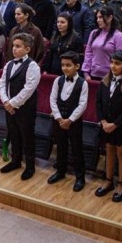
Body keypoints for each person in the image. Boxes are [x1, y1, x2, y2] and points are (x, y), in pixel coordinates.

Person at [95, 50, 122, 202]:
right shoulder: (104, 81)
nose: (113, 66)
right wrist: (103, 121)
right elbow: (98, 102)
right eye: (112, 62)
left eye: (117, 63)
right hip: (106, 124)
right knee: (109, 150)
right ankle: (108, 180)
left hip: (121, 125)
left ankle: (121, 183)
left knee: (120, 152)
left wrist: (115, 124)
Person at [0, 33, 41, 181]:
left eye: (18, 46)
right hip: (9, 106)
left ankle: (30, 166)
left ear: (27, 49)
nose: (14, 49)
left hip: (25, 108)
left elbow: (29, 89)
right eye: (13, 46)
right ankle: (15, 161)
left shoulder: (33, 66)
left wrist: (13, 103)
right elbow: (2, 83)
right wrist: (5, 101)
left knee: (27, 136)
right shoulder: (9, 64)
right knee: (13, 134)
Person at [47, 51, 88, 192]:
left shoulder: (83, 84)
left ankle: (80, 177)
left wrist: (70, 120)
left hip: (74, 122)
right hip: (58, 120)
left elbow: (82, 104)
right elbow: (52, 99)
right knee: (61, 146)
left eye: (68, 65)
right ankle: (60, 171)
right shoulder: (57, 80)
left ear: (77, 66)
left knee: (77, 149)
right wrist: (58, 117)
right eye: (63, 65)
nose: (65, 68)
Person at [82, 7, 122, 80]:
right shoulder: (94, 33)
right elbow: (88, 53)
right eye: (97, 18)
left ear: (110, 18)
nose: (98, 20)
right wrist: (86, 72)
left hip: (110, 76)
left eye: (100, 17)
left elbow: (121, 59)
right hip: (92, 74)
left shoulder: (118, 36)